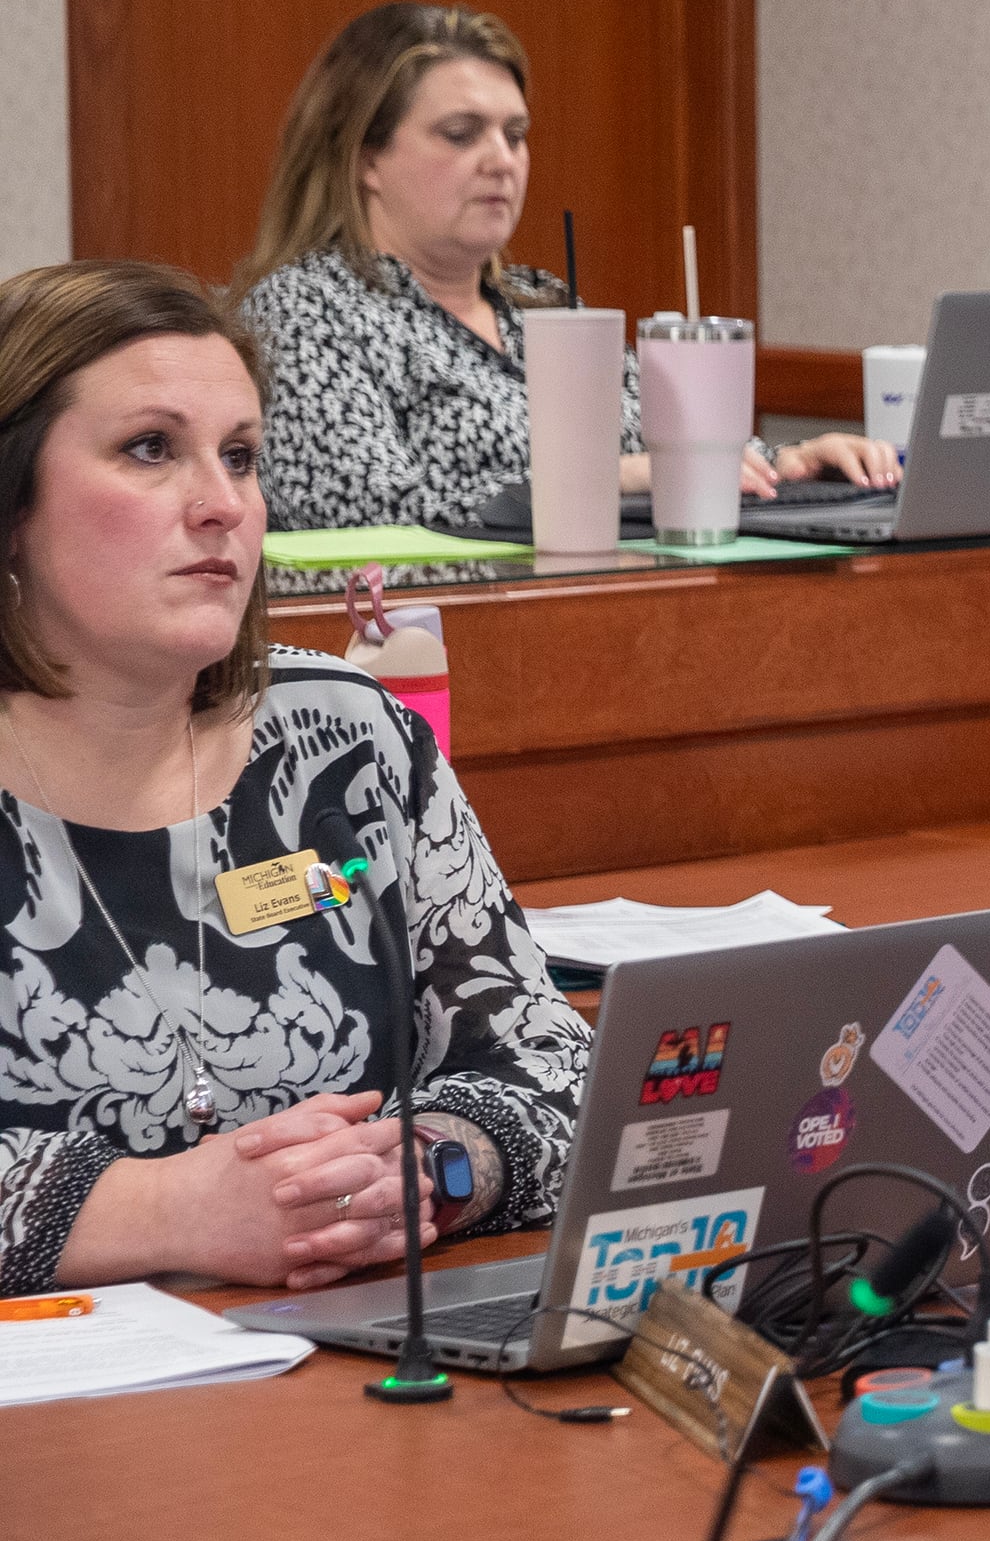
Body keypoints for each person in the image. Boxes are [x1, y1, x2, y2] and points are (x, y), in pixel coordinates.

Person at [0, 258, 588, 1293]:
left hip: (351, 1357)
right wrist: (171, 1210)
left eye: (242, 456)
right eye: (151, 449)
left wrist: (436, 1165)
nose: (222, 503)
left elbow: (554, 1065)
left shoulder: (347, 739)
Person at [237, 2, 896, 533]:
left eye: (515, 135)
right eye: (462, 133)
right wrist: (602, 478)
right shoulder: (306, 308)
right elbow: (353, 507)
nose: (503, 160)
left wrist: (789, 463)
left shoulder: (542, 305)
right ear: (363, 159)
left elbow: (658, 454)